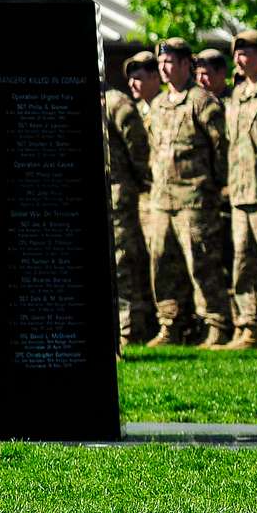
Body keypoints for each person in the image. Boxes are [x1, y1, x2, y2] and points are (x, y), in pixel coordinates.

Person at [145, 37, 230, 347]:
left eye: (170, 62)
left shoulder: (202, 101)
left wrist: (216, 186)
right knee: (162, 265)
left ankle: (216, 324)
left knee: (202, 264)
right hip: (162, 200)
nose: (165, 69)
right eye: (161, 63)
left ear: (185, 65)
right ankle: (172, 324)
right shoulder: (158, 104)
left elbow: (221, 148)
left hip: (195, 199)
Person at [227, 30, 257, 350]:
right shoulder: (237, 95)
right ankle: (250, 326)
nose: (239, 59)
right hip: (241, 194)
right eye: (237, 53)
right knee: (243, 261)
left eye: (246, 52)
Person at [105, 76, 154, 348]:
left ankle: (130, 328)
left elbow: (138, 147)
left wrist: (137, 179)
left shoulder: (116, 101)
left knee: (123, 260)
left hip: (118, 193)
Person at [126, 51, 161, 117]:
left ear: (154, 77)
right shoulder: (136, 110)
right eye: (130, 79)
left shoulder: (168, 107)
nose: (131, 84)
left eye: (137, 78)